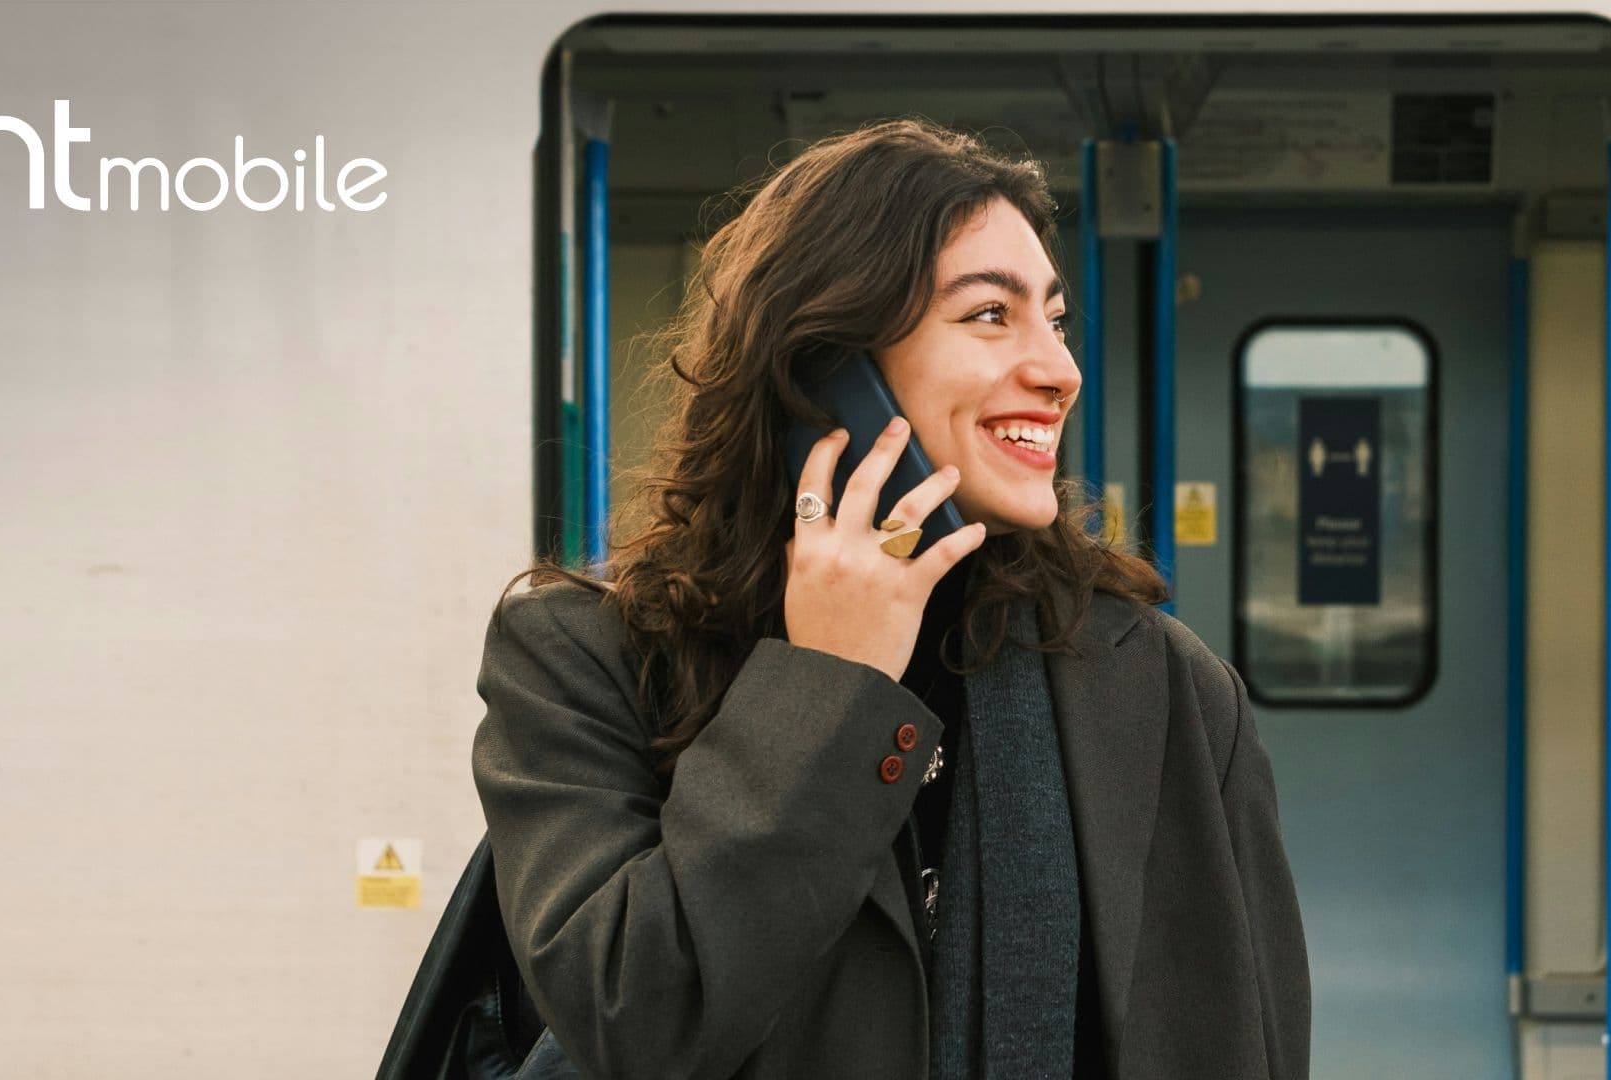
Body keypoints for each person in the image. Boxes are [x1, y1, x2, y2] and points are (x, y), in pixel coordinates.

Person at [471, 117, 1309, 1080]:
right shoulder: (582, 657)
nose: (1060, 371)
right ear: (828, 367)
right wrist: (827, 685)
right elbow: (636, 1021)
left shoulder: (1159, 685)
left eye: (1055, 319)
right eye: (989, 315)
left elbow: (1254, 1039)